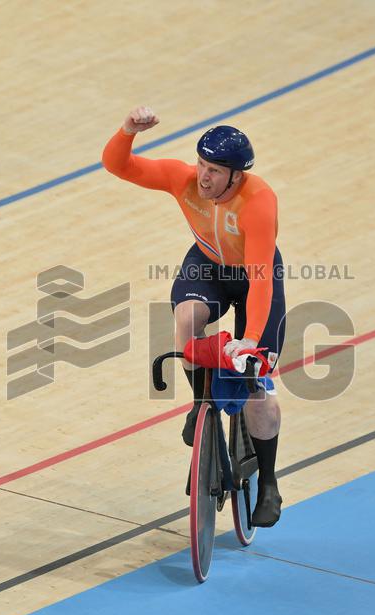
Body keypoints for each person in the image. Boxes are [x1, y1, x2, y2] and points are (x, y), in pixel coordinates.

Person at [102, 106, 286, 527]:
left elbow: (260, 281)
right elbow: (119, 166)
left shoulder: (258, 201)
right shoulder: (183, 179)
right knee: (186, 323)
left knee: (257, 386)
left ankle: (270, 482)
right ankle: (201, 402)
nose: (204, 177)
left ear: (236, 175)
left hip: (254, 275)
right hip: (207, 266)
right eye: (202, 165)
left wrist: (250, 339)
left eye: (215, 171)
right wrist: (128, 130)